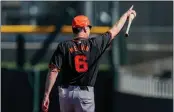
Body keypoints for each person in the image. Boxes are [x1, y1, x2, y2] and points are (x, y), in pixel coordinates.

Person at [42, 5, 136, 112]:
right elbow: (115, 30)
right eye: (89, 27)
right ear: (85, 28)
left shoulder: (63, 46)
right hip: (84, 94)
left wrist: (46, 94)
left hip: (66, 94)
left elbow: (53, 71)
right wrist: (126, 15)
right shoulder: (95, 44)